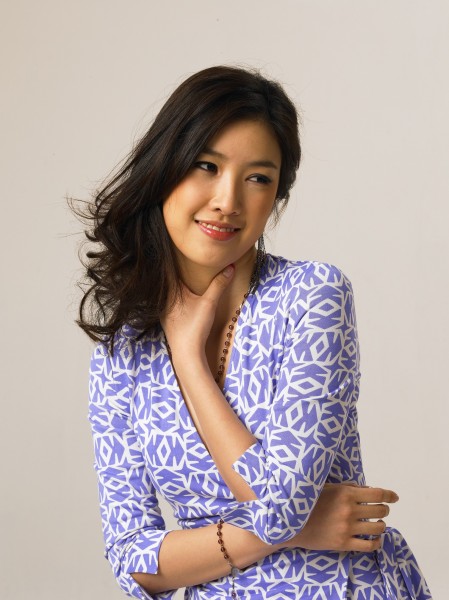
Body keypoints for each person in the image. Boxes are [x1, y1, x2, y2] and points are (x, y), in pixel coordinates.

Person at [78, 66, 432, 599]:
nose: (228, 200)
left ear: (276, 197)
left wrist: (188, 359)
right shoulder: (121, 355)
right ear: (164, 170)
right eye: (207, 166)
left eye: (258, 178)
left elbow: (279, 507)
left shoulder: (311, 296)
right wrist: (299, 529)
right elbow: (132, 561)